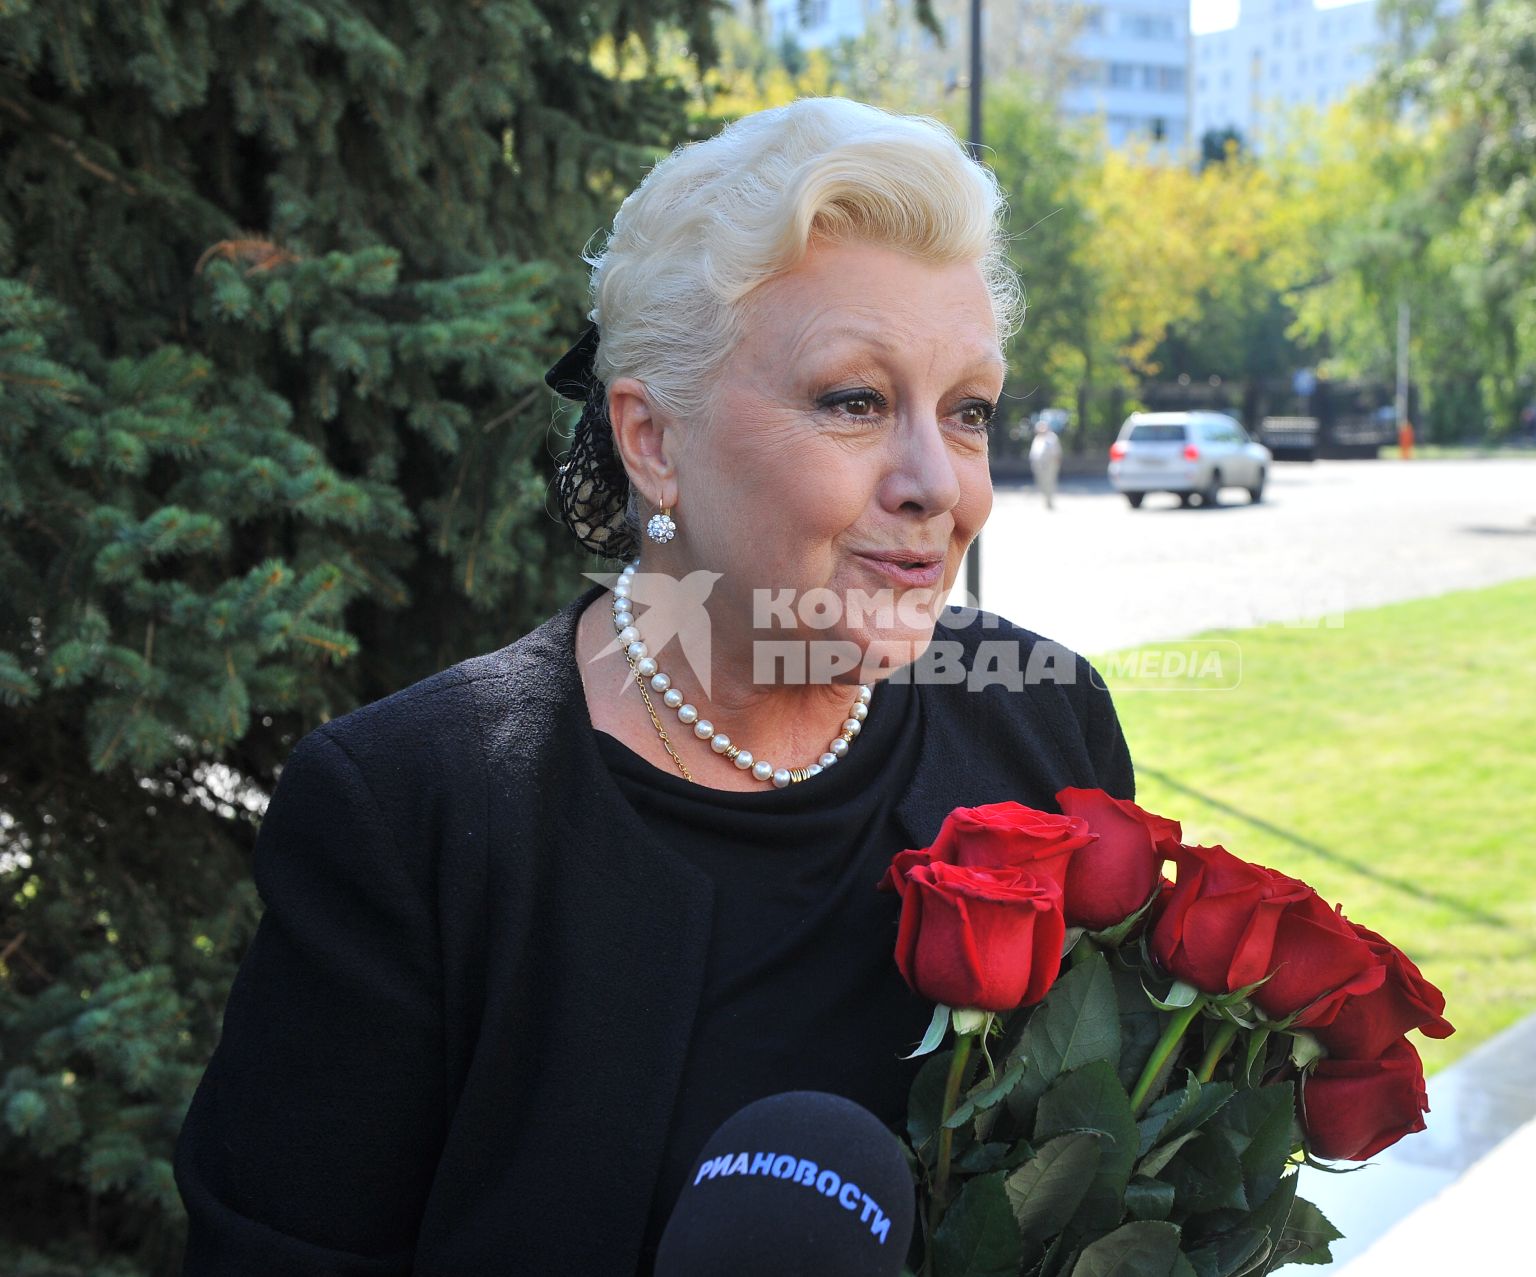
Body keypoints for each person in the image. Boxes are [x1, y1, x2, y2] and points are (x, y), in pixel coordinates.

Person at [170, 97, 1136, 1276]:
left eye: (969, 410)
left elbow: (1112, 1184)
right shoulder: (412, 812)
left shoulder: (1044, 722)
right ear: (651, 438)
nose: (939, 483)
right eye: (854, 400)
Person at [1028, 412, 1062, 509]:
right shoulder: (1037, 439)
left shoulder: (1051, 437)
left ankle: (1049, 501)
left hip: (1049, 465)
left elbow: (1057, 452)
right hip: (1038, 465)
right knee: (1041, 482)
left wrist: (1055, 464)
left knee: (1049, 482)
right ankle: (1045, 500)